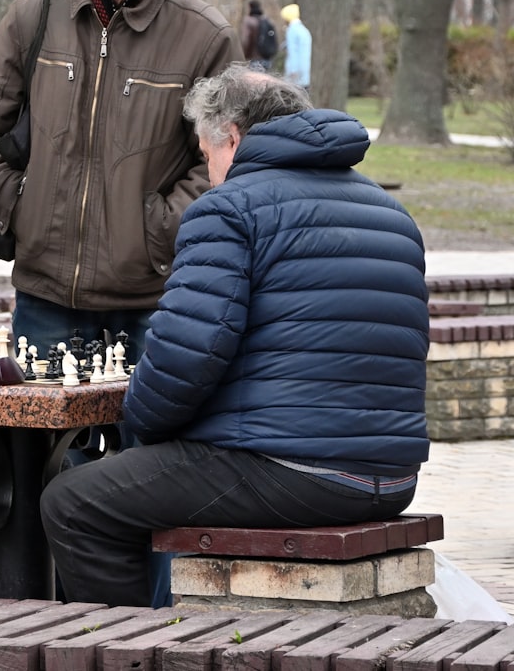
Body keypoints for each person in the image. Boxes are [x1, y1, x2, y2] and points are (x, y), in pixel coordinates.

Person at [40, 63, 430, 608]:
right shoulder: (392, 215)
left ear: (235, 136)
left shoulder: (228, 210)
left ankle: (122, 648)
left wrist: (139, 429)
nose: (210, 173)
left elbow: (184, 359)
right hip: (391, 478)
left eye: (206, 156)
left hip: (292, 475)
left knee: (75, 502)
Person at [0, 0, 242, 362]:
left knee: (141, 441)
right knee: (49, 443)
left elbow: (227, 156)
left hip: (152, 299)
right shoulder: (33, 19)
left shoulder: (205, 36)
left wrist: (159, 229)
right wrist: (22, 205)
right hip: (45, 296)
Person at [280, 2, 312, 90]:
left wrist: (293, 70)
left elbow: (292, 51)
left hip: (294, 76)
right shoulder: (303, 30)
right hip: (304, 74)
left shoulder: (291, 31)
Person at [239, 0, 268, 70]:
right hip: (266, 59)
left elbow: (245, 40)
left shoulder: (248, 21)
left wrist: (242, 56)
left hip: (253, 59)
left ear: (250, 7)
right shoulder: (266, 20)